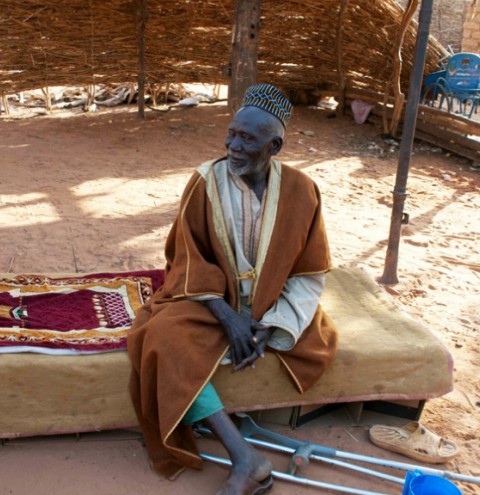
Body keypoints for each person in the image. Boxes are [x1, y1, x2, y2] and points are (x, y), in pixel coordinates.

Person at [127, 84, 337, 495]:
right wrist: (229, 317)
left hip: (273, 305)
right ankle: (245, 456)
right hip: (210, 302)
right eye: (231, 134)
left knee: (310, 338)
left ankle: (245, 454)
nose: (233, 146)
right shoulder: (205, 181)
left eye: (247, 139)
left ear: (274, 146)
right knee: (162, 337)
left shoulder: (302, 191)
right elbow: (187, 260)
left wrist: (270, 326)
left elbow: (309, 273)